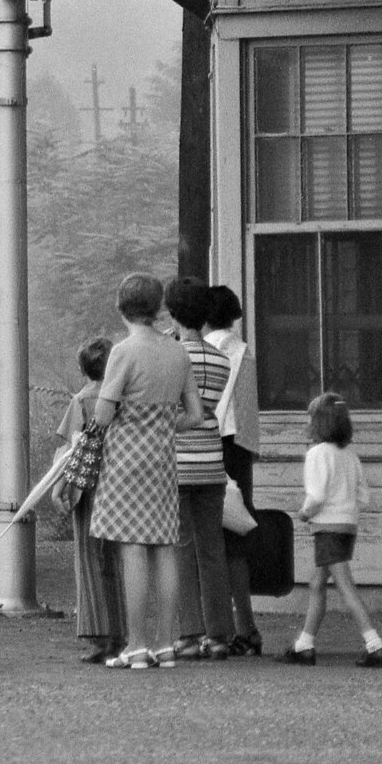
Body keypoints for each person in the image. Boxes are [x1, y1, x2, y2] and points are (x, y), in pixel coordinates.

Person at [92, 272, 206, 669]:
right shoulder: (178, 352)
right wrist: (160, 423)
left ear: (121, 306)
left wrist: (130, 417)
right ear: (159, 307)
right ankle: (165, 644)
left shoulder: (123, 351)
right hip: (162, 459)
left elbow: (103, 414)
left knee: (133, 548)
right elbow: (196, 414)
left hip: (125, 461)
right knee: (164, 548)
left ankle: (136, 645)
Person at [286, 392, 382, 667]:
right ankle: (304, 644)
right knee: (317, 583)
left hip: (326, 527)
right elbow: (364, 497)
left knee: (345, 587)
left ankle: (375, 644)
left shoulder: (317, 454)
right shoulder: (350, 457)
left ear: (317, 423)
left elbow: (316, 496)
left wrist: (304, 513)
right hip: (347, 527)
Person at [165, 275, 235, 661]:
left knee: (180, 547)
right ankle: (220, 634)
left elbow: (172, 407)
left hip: (177, 460)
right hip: (211, 459)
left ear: (173, 313)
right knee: (212, 549)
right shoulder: (221, 359)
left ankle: (189, 633)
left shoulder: (174, 355)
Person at [58, 337, 125, 663]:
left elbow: (68, 450)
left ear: (83, 369)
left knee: (89, 560)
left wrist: (60, 489)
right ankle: (124, 632)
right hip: (121, 486)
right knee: (118, 559)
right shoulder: (123, 399)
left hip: (89, 489)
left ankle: (100, 636)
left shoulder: (82, 400)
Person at [206, 284, 263, 655]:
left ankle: (216, 628)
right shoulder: (245, 353)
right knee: (236, 539)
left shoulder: (205, 350)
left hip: (211, 446)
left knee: (207, 539)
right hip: (240, 450)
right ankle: (246, 624)